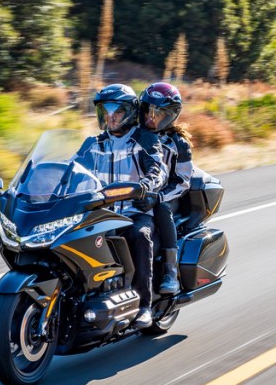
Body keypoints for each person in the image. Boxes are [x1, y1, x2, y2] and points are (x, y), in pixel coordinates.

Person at [71, 84, 167, 328]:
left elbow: (158, 168)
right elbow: (69, 171)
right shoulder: (94, 143)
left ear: (131, 112)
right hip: (99, 214)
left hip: (133, 212)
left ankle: (144, 306)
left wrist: (146, 185)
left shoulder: (144, 138)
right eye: (105, 111)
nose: (110, 116)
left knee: (139, 235)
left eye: (117, 111)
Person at [136, 82, 193, 296]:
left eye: (157, 113)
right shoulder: (134, 134)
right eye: (147, 111)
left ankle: (170, 270)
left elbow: (183, 181)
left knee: (162, 209)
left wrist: (158, 197)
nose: (150, 117)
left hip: (168, 193)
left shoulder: (178, 143)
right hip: (139, 191)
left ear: (170, 115)